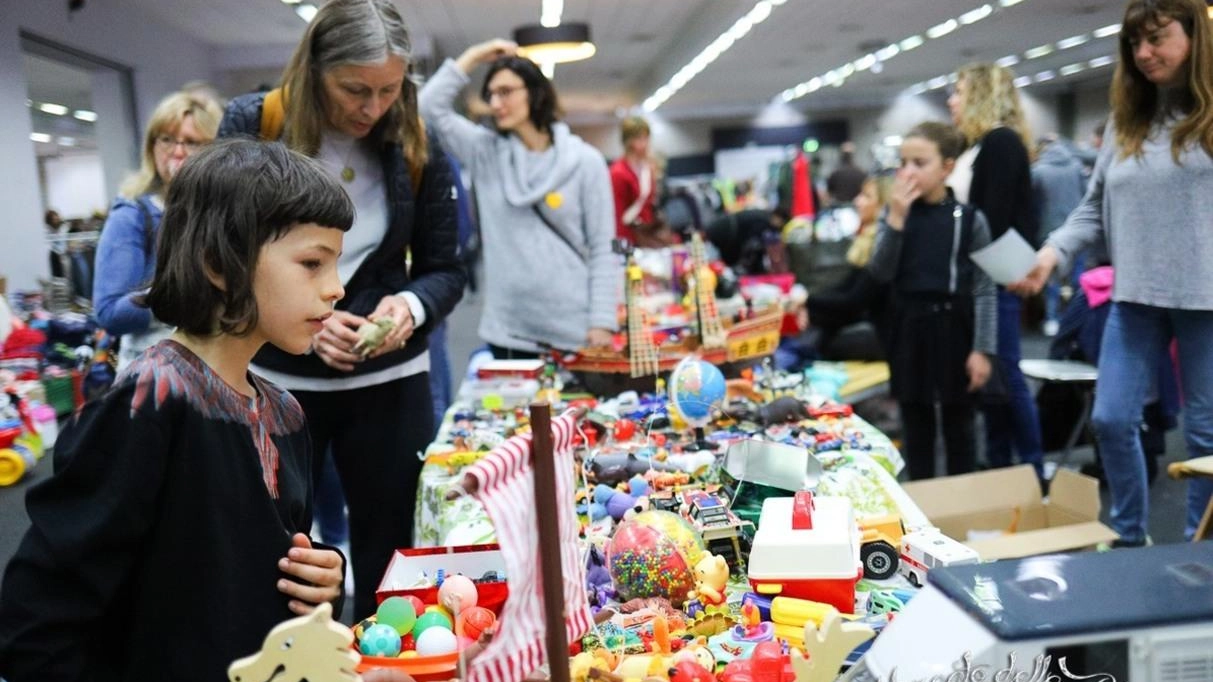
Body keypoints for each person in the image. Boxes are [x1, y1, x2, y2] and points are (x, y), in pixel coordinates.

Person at [0, 139, 349, 682]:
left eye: (335, 264)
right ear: (218, 264)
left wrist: (323, 572)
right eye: (312, 264)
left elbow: (261, 557)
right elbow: (42, 611)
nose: (336, 288)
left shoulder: (284, 414)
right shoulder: (149, 401)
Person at [218, 0, 464, 619]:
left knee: (391, 552)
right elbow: (220, 253)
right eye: (355, 88)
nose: (372, 107)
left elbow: (445, 269)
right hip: (272, 378)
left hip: (389, 379)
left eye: (389, 89)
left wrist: (409, 305)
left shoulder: (415, 141)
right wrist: (301, 322)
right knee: (276, 545)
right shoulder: (254, 124)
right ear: (313, 67)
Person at [1011, 0, 1213, 546]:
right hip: (1134, 298)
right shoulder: (1129, 121)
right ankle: (1129, 535)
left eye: (1157, 38)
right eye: (1134, 43)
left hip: (1206, 304)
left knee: (1206, 438)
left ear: (1195, 36)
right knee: (1111, 419)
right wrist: (1050, 255)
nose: (1144, 53)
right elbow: (1093, 209)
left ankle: (1199, 545)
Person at [419, 39, 619, 360]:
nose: (496, 103)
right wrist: (473, 56)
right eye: (491, 94)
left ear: (535, 93)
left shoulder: (585, 161)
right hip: (509, 331)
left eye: (506, 92)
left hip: (574, 329)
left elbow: (602, 248)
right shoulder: (486, 153)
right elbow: (428, 109)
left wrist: (602, 322)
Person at [866, 122, 995, 481]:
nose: (907, 173)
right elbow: (879, 272)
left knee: (961, 426)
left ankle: (965, 509)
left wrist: (983, 348)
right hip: (909, 327)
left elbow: (985, 287)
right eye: (902, 163)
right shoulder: (893, 214)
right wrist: (894, 220)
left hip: (955, 326)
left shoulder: (968, 219)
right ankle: (923, 515)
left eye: (919, 163)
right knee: (916, 425)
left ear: (947, 167)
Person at [947, 62, 1044, 478]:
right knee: (996, 383)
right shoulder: (985, 143)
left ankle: (1032, 470)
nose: (952, 100)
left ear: (982, 95)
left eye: (960, 91)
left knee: (1006, 374)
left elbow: (993, 219)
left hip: (999, 275)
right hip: (988, 274)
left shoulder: (1001, 143)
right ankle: (1006, 468)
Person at [93, 90, 223, 370]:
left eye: (192, 143)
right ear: (152, 146)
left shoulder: (224, 212)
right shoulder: (133, 214)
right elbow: (110, 313)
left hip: (217, 368)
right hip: (156, 375)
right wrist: (184, 291)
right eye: (166, 139)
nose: (177, 153)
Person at [1031, 135, 1088, 336]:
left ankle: (1052, 318)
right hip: (1078, 230)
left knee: (1051, 279)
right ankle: (1077, 320)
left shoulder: (1038, 171)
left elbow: (1033, 204)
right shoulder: (1076, 167)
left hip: (1050, 232)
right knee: (1078, 278)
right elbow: (1087, 197)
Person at [610, 116, 669, 247]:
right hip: (629, 236)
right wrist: (623, 246)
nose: (645, 143)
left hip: (647, 232)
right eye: (639, 138)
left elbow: (650, 204)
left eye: (646, 138)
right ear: (628, 141)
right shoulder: (618, 172)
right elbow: (618, 214)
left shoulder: (647, 167)